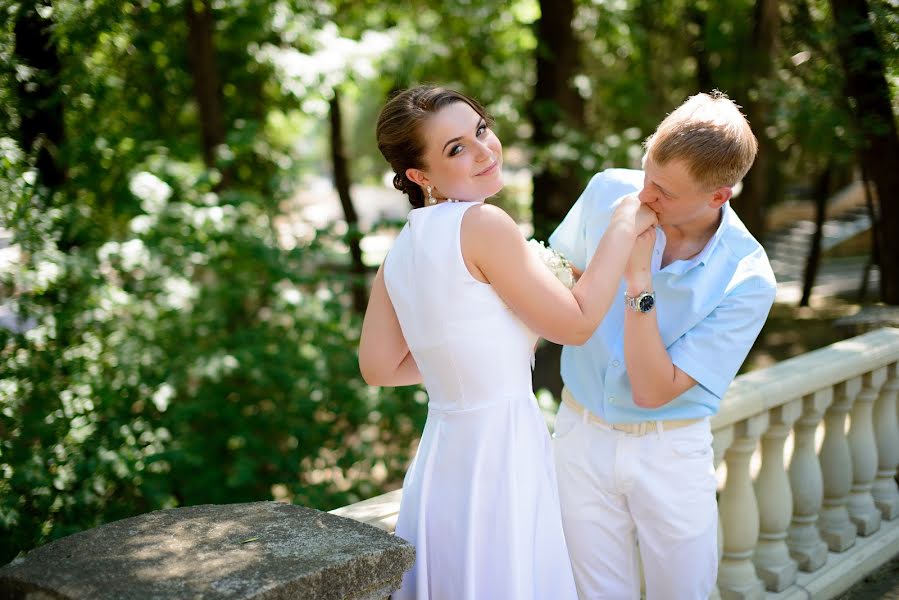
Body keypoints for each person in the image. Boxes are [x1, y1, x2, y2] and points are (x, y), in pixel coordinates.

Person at [358, 85, 657, 600]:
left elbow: (379, 368)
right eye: (455, 148)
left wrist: (488, 356)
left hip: (441, 460)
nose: (483, 151)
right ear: (419, 175)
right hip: (501, 452)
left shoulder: (400, 250)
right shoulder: (482, 223)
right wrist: (623, 225)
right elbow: (579, 325)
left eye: (480, 131)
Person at [549, 91, 777, 599]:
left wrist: (638, 283)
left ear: (720, 196)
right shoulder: (608, 190)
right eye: (648, 174)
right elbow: (558, 296)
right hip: (578, 435)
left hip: (667, 450)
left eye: (666, 193)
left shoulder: (747, 278)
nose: (646, 196)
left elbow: (654, 391)